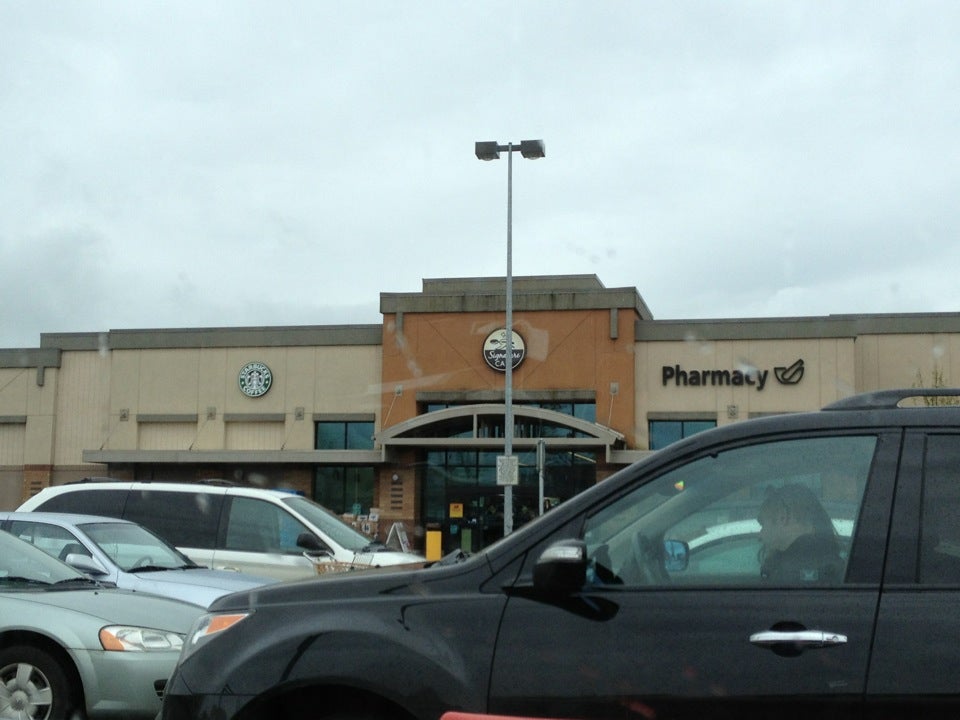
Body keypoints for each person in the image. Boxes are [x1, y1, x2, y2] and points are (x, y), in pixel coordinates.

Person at [757, 484, 842, 584]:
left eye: (762, 524)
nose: (759, 535)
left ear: (782, 517)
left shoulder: (784, 573)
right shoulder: (836, 567)